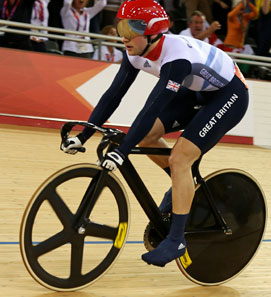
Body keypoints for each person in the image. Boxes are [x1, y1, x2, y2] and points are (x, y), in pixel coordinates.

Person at [60, 0, 249, 267]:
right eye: (120, 27)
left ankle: (177, 239)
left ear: (152, 31)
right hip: (197, 89)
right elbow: (113, 95)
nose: (123, 36)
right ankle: (182, 186)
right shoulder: (135, 50)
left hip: (229, 94)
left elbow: (152, 108)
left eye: (130, 29)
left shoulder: (176, 58)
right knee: (149, 137)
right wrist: (83, 135)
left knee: (181, 158)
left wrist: (122, 152)